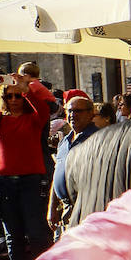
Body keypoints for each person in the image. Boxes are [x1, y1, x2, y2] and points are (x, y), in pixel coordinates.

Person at [0, 72, 56, 260]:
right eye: (9, 96)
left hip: (31, 181)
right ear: (3, 99)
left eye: (17, 96)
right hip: (5, 183)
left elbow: (44, 109)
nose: (13, 100)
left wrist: (25, 87)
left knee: (37, 234)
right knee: (13, 236)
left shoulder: (34, 119)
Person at [49, 97, 97, 231]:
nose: (72, 115)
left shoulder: (98, 139)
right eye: (69, 111)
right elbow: (57, 173)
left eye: (78, 111)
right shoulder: (64, 141)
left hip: (87, 208)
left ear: (90, 113)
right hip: (66, 209)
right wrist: (51, 207)